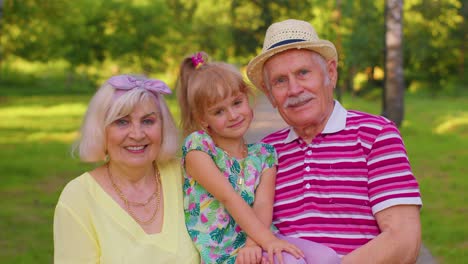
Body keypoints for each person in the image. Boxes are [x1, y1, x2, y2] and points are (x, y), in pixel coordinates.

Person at [246, 19, 423, 263]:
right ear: (270, 95)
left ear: (330, 72)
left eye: (303, 73)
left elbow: (404, 239)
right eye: (280, 81)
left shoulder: (376, 135)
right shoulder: (264, 152)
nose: (294, 89)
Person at [176, 52, 340, 264]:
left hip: (258, 237)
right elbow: (229, 198)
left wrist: (256, 243)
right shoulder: (199, 148)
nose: (233, 115)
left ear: (248, 98)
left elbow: (263, 204)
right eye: (218, 112)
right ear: (203, 120)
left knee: (327, 258)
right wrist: (265, 243)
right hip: (225, 251)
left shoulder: (263, 154)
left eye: (237, 103)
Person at [53, 74, 200, 263]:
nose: (137, 134)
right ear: (100, 129)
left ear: (163, 127)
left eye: (148, 121)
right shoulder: (78, 197)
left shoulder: (189, 174)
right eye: (122, 122)